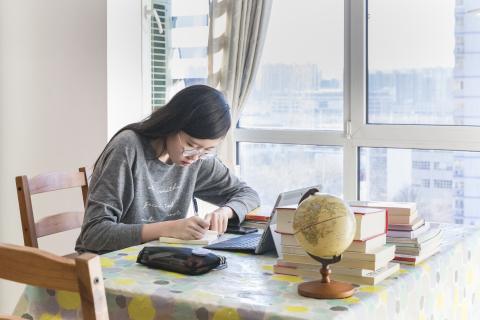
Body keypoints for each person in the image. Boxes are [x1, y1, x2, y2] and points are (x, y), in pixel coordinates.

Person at [76, 85, 260, 254]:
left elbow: (248, 194)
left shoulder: (197, 159)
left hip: (154, 260)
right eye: (191, 144)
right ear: (173, 124)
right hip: (106, 266)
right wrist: (170, 228)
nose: (195, 157)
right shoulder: (128, 148)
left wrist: (224, 212)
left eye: (207, 150)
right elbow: (93, 235)